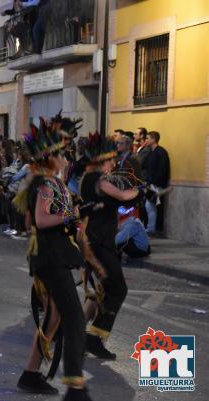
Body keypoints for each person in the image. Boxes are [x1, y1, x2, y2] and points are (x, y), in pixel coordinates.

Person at [15, 121, 92, 401]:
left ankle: (30, 373)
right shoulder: (46, 184)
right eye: (62, 153)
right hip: (51, 258)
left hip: (49, 255)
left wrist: (73, 223)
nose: (66, 158)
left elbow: (29, 222)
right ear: (51, 158)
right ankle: (75, 384)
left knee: (55, 316)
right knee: (73, 317)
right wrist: (70, 217)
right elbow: (40, 219)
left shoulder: (47, 182)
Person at [80, 133, 141, 360]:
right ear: (102, 159)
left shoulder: (89, 177)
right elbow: (125, 196)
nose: (114, 163)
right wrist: (141, 190)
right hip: (99, 243)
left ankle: (73, 331)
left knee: (100, 292)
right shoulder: (99, 179)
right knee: (118, 289)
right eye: (111, 159)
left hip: (96, 240)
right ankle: (94, 338)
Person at [142, 131, 170, 235]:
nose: (146, 140)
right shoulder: (151, 152)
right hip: (150, 183)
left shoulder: (161, 152)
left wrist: (154, 182)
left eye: (147, 138)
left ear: (153, 139)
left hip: (157, 184)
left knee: (150, 206)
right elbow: (144, 165)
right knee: (149, 206)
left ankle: (152, 229)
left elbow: (162, 169)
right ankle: (151, 228)